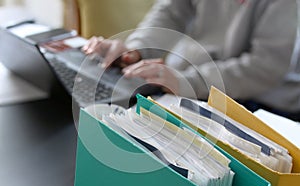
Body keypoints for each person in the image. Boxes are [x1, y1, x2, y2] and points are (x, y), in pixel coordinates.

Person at [82, 0, 300, 120]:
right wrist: (134, 51)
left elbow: (265, 67)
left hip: (259, 100)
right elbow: (170, 12)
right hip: (193, 80)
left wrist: (187, 82)